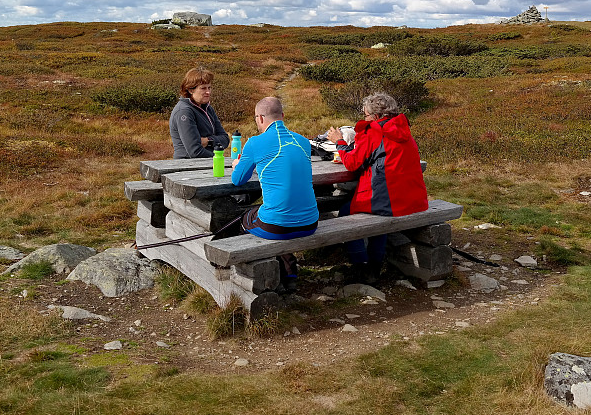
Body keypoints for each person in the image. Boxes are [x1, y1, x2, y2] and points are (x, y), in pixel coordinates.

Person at [327, 92, 428, 283]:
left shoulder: (372, 131)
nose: (364, 118)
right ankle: (375, 265)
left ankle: (362, 266)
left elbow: (353, 163)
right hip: (413, 200)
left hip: (388, 201)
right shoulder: (403, 130)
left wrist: (339, 143)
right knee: (378, 215)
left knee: (346, 214)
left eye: (365, 115)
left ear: (375, 116)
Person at [232, 97, 319, 290]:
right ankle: (290, 273)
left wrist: (237, 165)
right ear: (283, 116)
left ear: (260, 119)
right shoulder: (303, 142)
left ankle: (254, 281)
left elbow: (238, 180)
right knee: (274, 211)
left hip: (277, 226)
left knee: (246, 217)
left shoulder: (255, 143)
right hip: (311, 223)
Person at [169, 67, 230, 158]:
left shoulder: (208, 108)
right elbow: (195, 151)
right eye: (203, 88)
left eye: (209, 88)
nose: (208, 92)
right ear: (190, 90)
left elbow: (225, 139)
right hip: (187, 166)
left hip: (204, 164)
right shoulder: (184, 112)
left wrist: (208, 141)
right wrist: (218, 159)